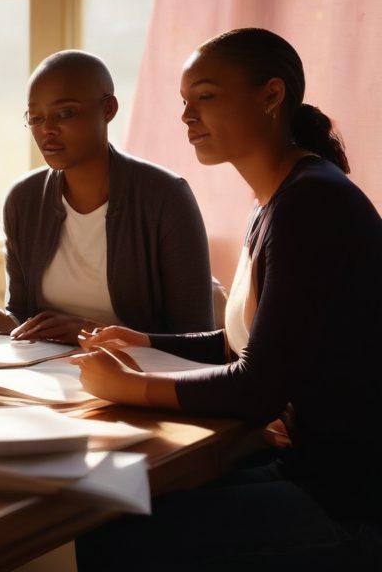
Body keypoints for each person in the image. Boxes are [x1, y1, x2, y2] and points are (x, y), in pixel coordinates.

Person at [72, 28, 382, 569]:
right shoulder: (277, 201)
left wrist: (132, 386)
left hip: (347, 500)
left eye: (207, 97)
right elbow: (250, 343)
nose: (187, 118)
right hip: (307, 467)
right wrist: (147, 342)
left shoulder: (311, 206)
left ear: (270, 96)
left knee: (113, 533)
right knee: (109, 503)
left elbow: (256, 387)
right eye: (185, 103)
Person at [0, 51, 214, 343]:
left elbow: (198, 339)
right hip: (42, 377)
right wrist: (6, 322)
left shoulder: (166, 197)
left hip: (135, 379)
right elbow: (23, 312)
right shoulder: (24, 200)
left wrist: (90, 334)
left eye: (65, 113)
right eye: (35, 118)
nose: (47, 130)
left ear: (108, 109)